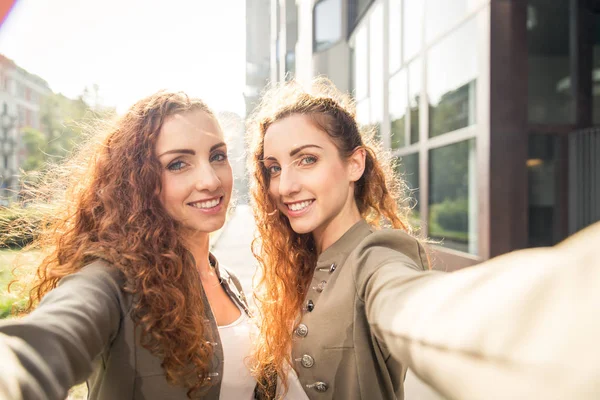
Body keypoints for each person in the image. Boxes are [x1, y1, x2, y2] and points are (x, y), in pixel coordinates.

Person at [246, 78, 600, 399]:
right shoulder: (295, 260)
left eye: (306, 160)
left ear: (354, 164)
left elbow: (415, 306)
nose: (285, 186)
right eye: (274, 168)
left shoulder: (376, 256)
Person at [0, 91, 261, 400]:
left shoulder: (227, 280)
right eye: (178, 164)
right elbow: (50, 338)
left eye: (217, 156)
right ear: (139, 180)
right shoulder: (114, 280)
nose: (210, 180)